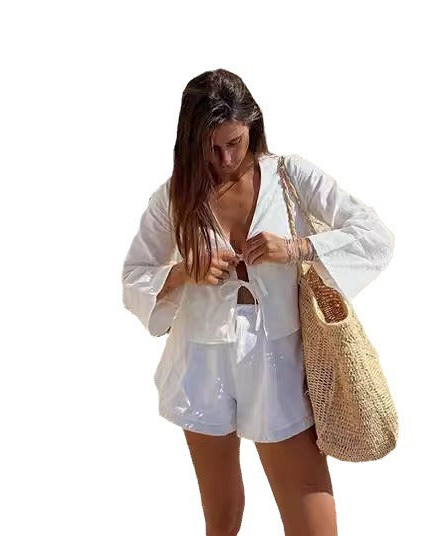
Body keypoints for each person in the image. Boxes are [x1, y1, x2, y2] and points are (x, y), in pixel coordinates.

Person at [121, 68, 394, 536]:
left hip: (277, 359)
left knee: (313, 527)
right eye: (212, 148)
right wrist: (185, 271)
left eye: (235, 142)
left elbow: (376, 237)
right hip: (201, 361)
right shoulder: (175, 196)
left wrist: (297, 248)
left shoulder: (290, 176)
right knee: (222, 519)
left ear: (253, 125)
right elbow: (134, 275)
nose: (226, 158)